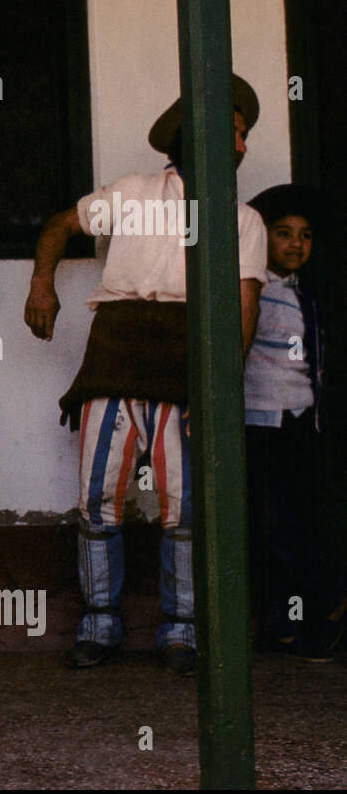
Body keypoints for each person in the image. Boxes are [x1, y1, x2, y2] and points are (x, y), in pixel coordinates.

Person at [23, 75, 267, 677]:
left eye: (241, 136)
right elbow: (60, 225)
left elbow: (242, 305)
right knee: (98, 495)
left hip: (188, 361)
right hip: (116, 353)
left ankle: (180, 629)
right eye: (227, 131)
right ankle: (99, 623)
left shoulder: (242, 220)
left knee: (182, 506)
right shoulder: (131, 192)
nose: (237, 144)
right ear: (189, 138)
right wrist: (40, 285)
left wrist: (221, 386)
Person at [244, 183, 343, 660]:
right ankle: (282, 623)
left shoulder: (309, 293)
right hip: (262, 421)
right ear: (263, 237)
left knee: (303, 522)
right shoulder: (252, 289)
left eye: (305, 235)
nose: (296, 244)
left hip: (304, 421)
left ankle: (310, 617)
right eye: (284, 233)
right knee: (271, 525)